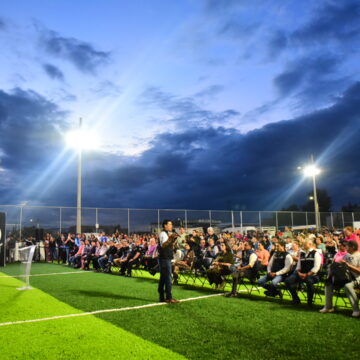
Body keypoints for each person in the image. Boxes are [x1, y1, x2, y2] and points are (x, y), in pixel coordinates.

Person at [320, 241, 360, 317]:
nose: (346, 248)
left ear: (353, 247)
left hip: (356, 279)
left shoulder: (359, 256)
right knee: (328, 283)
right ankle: (328, 307)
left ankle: (356, 310)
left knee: (347, 286)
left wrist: (348, 265)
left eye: (347, 246)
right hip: (345, 277)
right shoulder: (346, 255)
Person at [285, 239, 321, 305]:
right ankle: (296, 299)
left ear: (310, 244)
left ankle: (309, 301)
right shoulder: (302, 254)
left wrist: (307, 274)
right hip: (301, 274)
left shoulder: (316, 253)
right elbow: (298, 266)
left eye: (305, 244)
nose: (303, 245)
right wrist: (299, 273)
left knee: (309, 281)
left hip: (313, 275)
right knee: (288, 281)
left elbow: (316, 268)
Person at [158, 220, 179, 303]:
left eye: (171, 224)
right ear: (165, 226)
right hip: (164, 258)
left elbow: (169, 245)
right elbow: (163, 245)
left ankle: (162, 296)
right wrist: (171, 238)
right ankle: (169, 298)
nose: (171, 225)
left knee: (163, 278)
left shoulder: (167, 234)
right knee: (168, 278)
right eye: (170, 224)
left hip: (166, 258)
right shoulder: (163, 233)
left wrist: (174, 240)